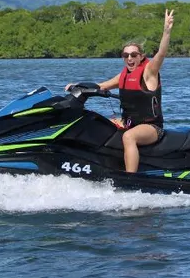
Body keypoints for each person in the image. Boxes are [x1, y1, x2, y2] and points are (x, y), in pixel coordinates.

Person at [66, 9, 174, 173]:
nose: (129, 58)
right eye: (126, 55)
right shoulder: (123, 76)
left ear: (141, 56)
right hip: (128, 122)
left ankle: (130, 177)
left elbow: (161, 54)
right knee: (95, 124)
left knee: (128, 137)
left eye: (133, 55)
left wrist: (166, 31)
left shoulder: (149, 72)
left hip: (151, 127)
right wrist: (77, 86)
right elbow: (101, 86)